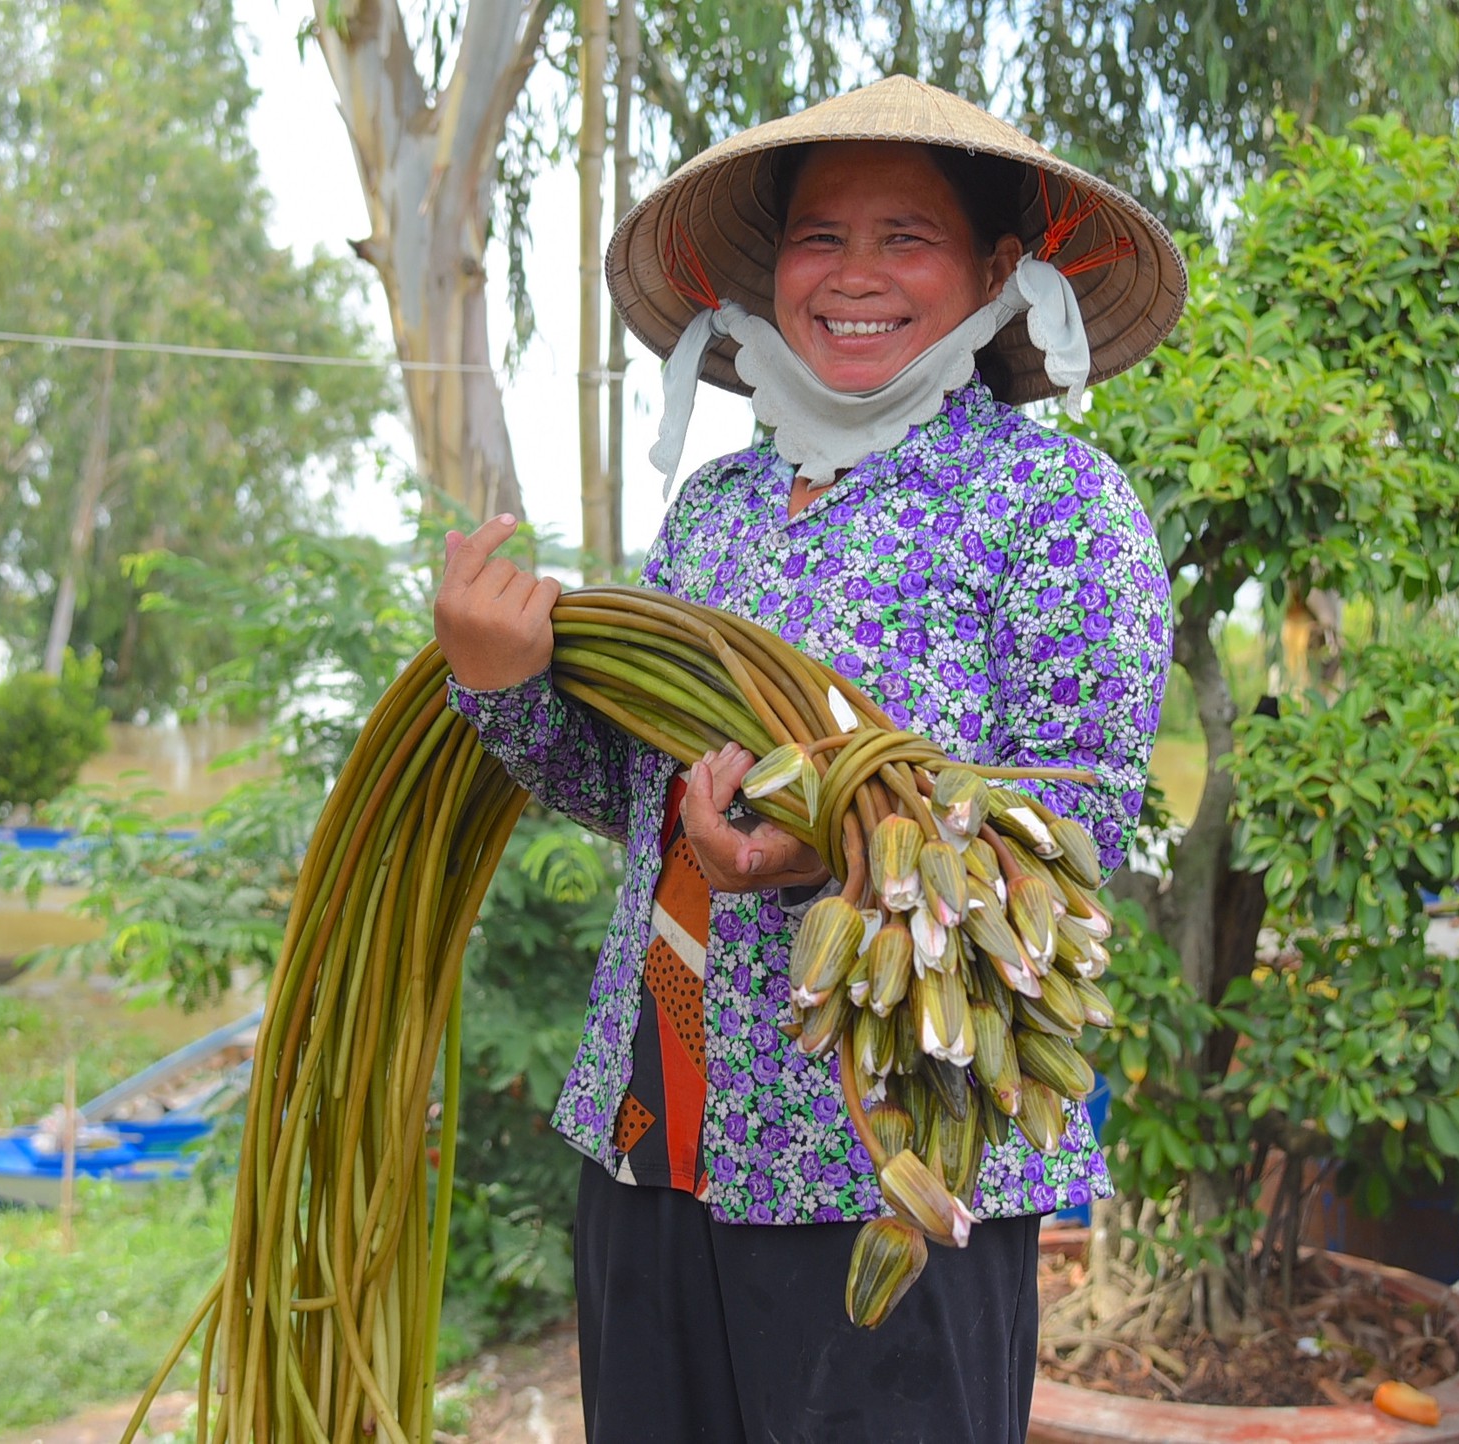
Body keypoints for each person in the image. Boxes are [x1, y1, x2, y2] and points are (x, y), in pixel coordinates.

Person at [434, 76, 1183, 1444]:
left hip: (888, 1165)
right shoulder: (716, 508)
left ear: (997, 272)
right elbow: (637, 796)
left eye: (906, 236)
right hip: (660, 1126)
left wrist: (834, 846)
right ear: (769, 275)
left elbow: (1084, 829)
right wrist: (503, 687)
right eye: (819, 238)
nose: (855, 276)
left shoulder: (1054, 505)